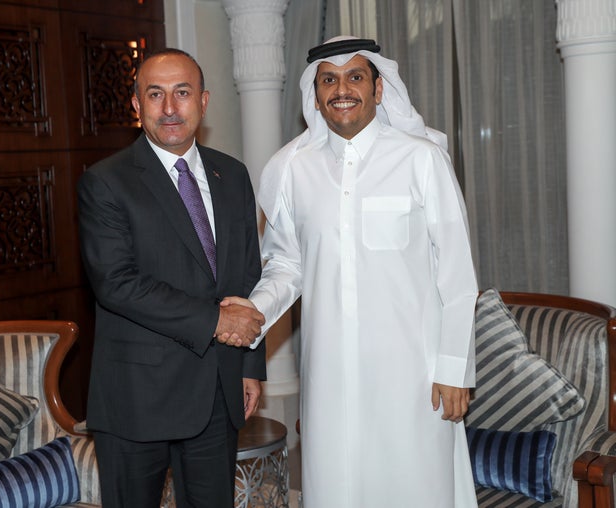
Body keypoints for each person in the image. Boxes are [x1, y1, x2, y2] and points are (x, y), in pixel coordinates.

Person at [222, 36, 479, 507]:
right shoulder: (292, 170)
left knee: (415, 486)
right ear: (315, 95)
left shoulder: (422, 159)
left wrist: (455, 369)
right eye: (329, 80)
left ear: (379, 90)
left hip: (413, 377)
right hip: (329, 375)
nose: (342, 89)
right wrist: (253, 310)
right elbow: (286, 263)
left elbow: (458, 275)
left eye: (355, 77)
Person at [77, 48, 267, 508]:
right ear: (136, 106)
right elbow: (116, 283)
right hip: (136, 400)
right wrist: (217, 323)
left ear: (203, 100)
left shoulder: (233, 175)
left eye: (181, 93)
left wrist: (249, 366)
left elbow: (246, 274)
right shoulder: (105, 182)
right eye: (155, 94)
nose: (169, 108)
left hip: (217, 394)